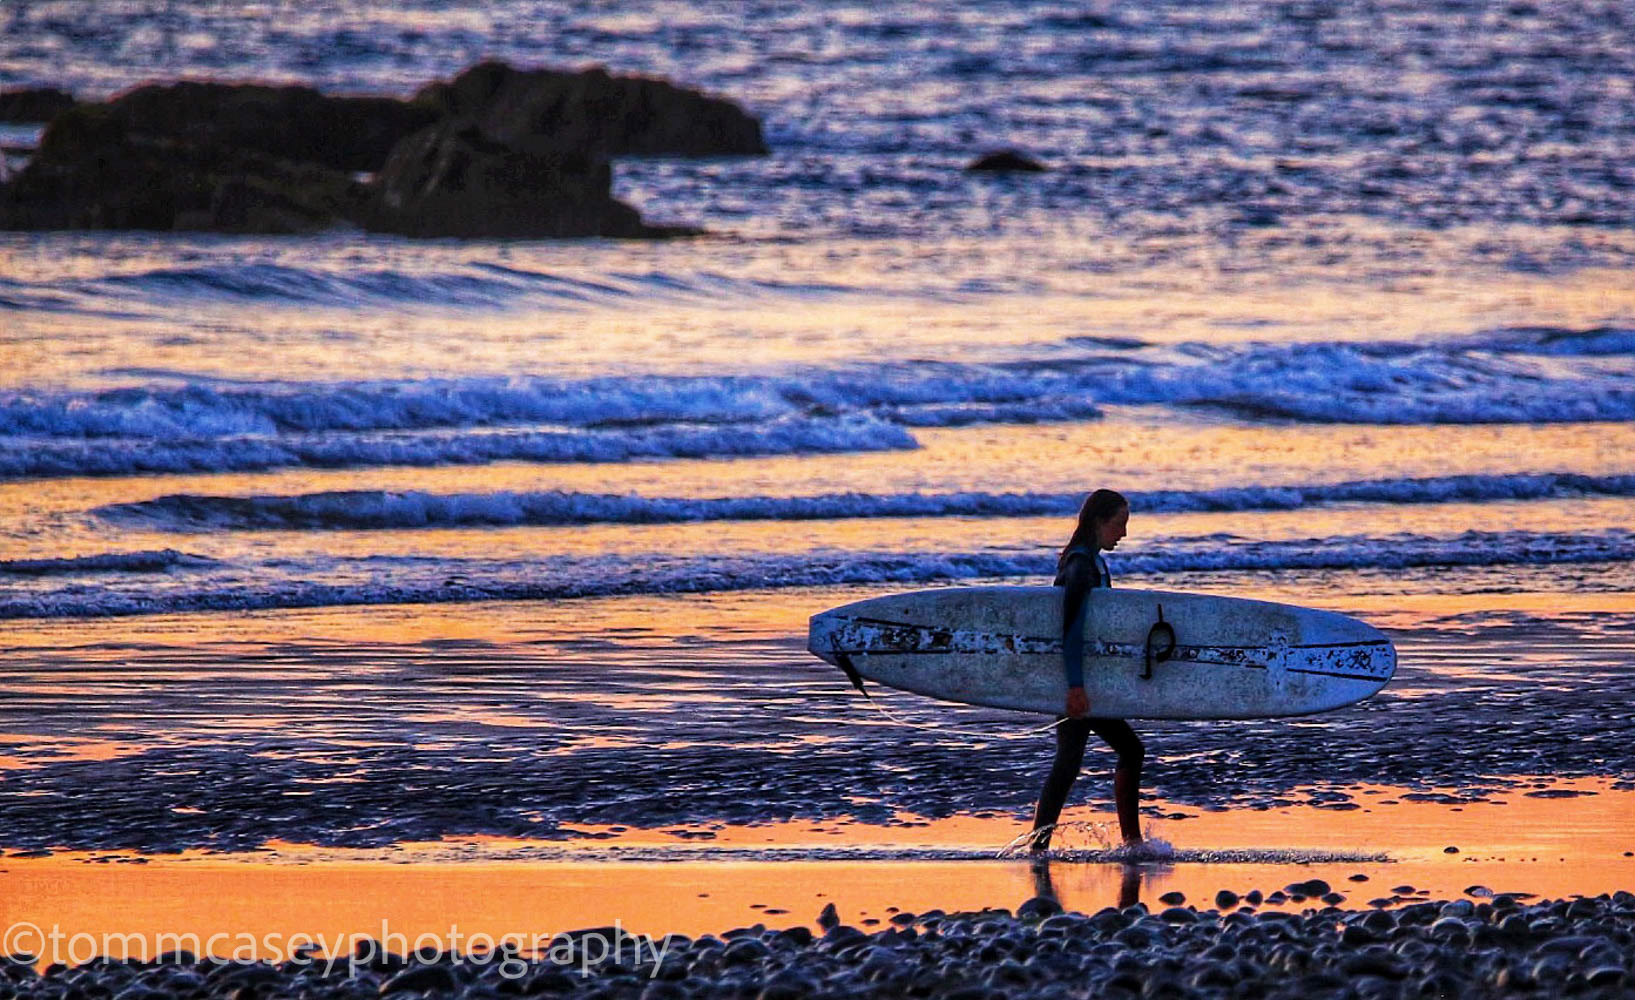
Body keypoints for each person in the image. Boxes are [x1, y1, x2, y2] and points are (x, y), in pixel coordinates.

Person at [1028, 488, 1145, 852]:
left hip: (1083, 678)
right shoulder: (1080, 565)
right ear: (1098, 521)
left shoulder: (1091, 560)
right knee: (1127, 750)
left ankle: (1039, 845)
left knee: (1069, 761)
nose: (1123, 534)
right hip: (1076, 679)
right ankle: (1132, 842)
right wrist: (1076, 686)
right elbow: (1072, 628)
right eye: (1118, 524)